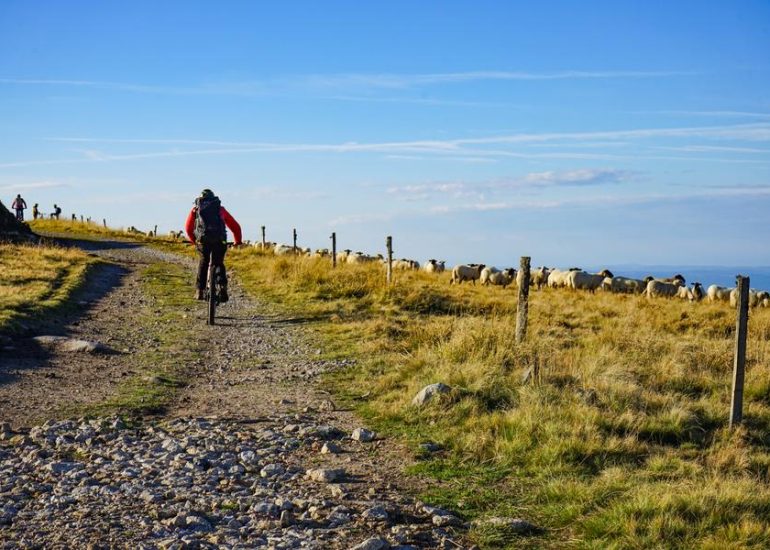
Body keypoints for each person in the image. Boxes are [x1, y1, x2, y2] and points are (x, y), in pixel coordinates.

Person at [184, 189, 242, 302]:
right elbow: (235, 227)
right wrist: (237, 241)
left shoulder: (195, 210)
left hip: (203, 241)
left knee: (204, 261)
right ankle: (222, 286)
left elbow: (188, 228)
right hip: (219, 240)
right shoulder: (220, 209)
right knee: (218, 262)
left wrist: (194, 240)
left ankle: (200, 291)